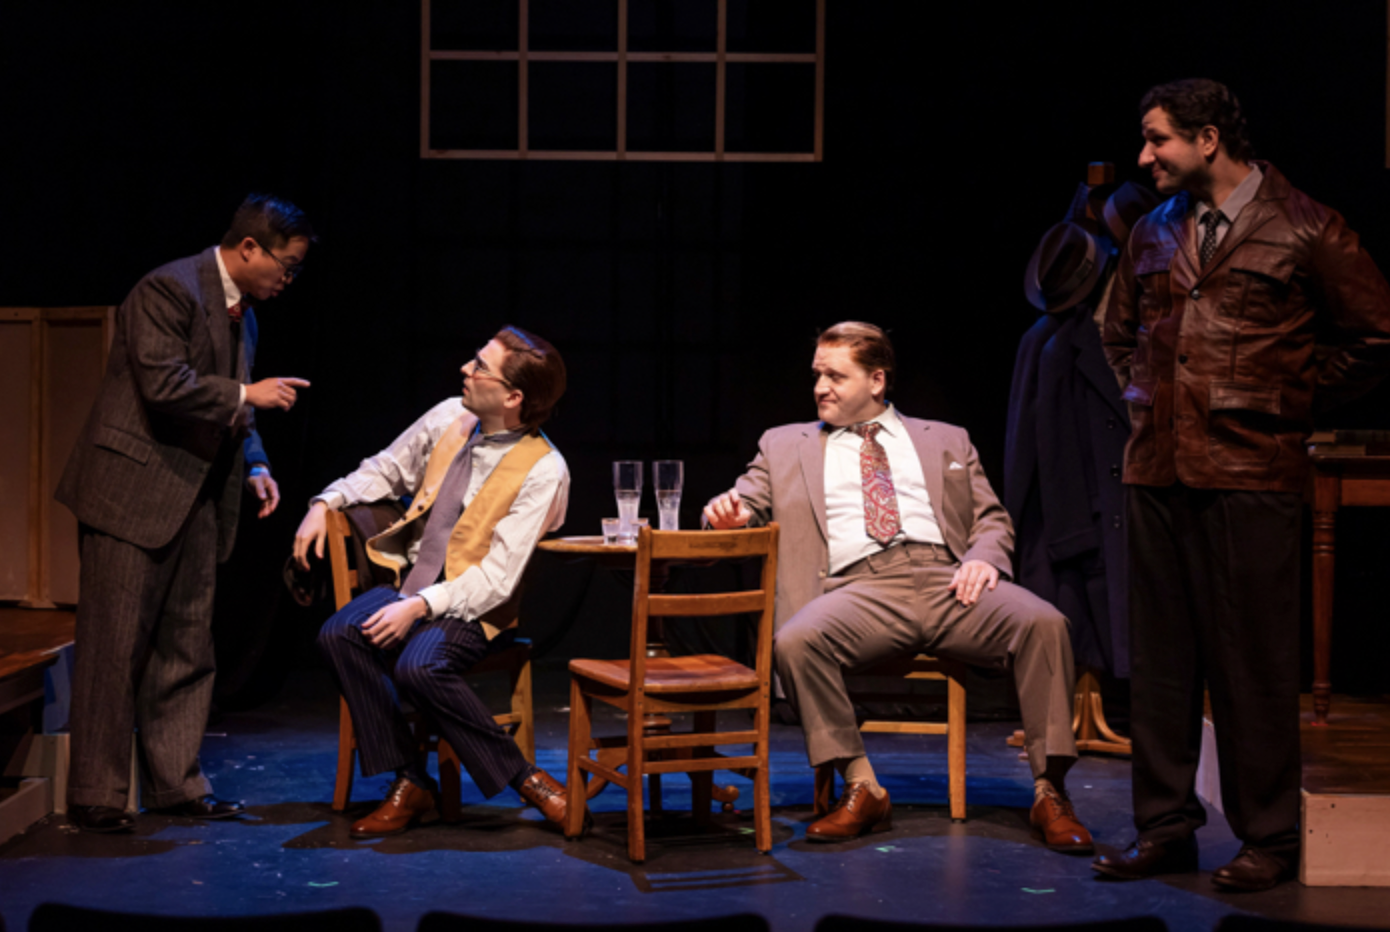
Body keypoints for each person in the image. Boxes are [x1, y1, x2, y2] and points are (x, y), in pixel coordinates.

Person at [1096, 79, 1390, 891]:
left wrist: (1286, 396)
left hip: (1251, 469)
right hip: (1158, 467)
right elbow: (1115, 331)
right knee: (1161, 662)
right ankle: (1164, 827)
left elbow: (1375, 334)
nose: (1145, 156)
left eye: (1158, 138)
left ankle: (1269, 838)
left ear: (1209, 139)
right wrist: (1146, 399)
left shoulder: (1306, 224)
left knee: (1253, 660)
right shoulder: (1154, 228)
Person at [703, 321, 1091, 852]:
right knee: (795, 641)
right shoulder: (784, 443)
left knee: (1045, 623)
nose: (820, 387)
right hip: (856, 588)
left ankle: (1051, 791)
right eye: (817, 375)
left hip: (949, 580)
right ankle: (862, 786)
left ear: (877, 380)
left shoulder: (946, 438)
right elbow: (743, 501)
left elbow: (991, 519)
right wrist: (727, 513)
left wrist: (983, 557)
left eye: (835, 376)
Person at [56, 194, 314, 832]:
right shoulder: (167, 290)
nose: (288, 279)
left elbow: (237, 409)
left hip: (198, 495)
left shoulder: (244, 316)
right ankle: (96, 793)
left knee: (187, 646)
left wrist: (255, 463)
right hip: (130, 492)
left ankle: (177, 785)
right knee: (115, 647)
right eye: (286, 265)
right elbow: (164, 383)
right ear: (249, 248)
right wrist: (246, 394)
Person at [295, 326, 573, 838]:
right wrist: (325, 501)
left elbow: (497, 579)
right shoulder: (450, 418)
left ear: (513, 397)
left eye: (480, 367)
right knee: (339, 634)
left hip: (476, 609)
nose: (466, 369)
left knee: (418, 666)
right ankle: (411, 780)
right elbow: (385, 470)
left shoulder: (544, 469)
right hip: (412, 583)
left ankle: (527, 780)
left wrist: (421, 607)